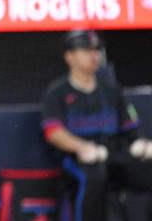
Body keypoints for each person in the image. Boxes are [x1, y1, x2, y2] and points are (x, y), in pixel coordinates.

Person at [41, 30, 152, 221]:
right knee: (94, 176)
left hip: (113, 153)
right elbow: (53, 132)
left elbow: (131, 127)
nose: (94, 56)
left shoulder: (112, 90)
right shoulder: (57, 92)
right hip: (78, 159)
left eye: (96, 50)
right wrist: (81, 147)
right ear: (70, 56)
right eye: (86, 51)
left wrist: (141, 144)